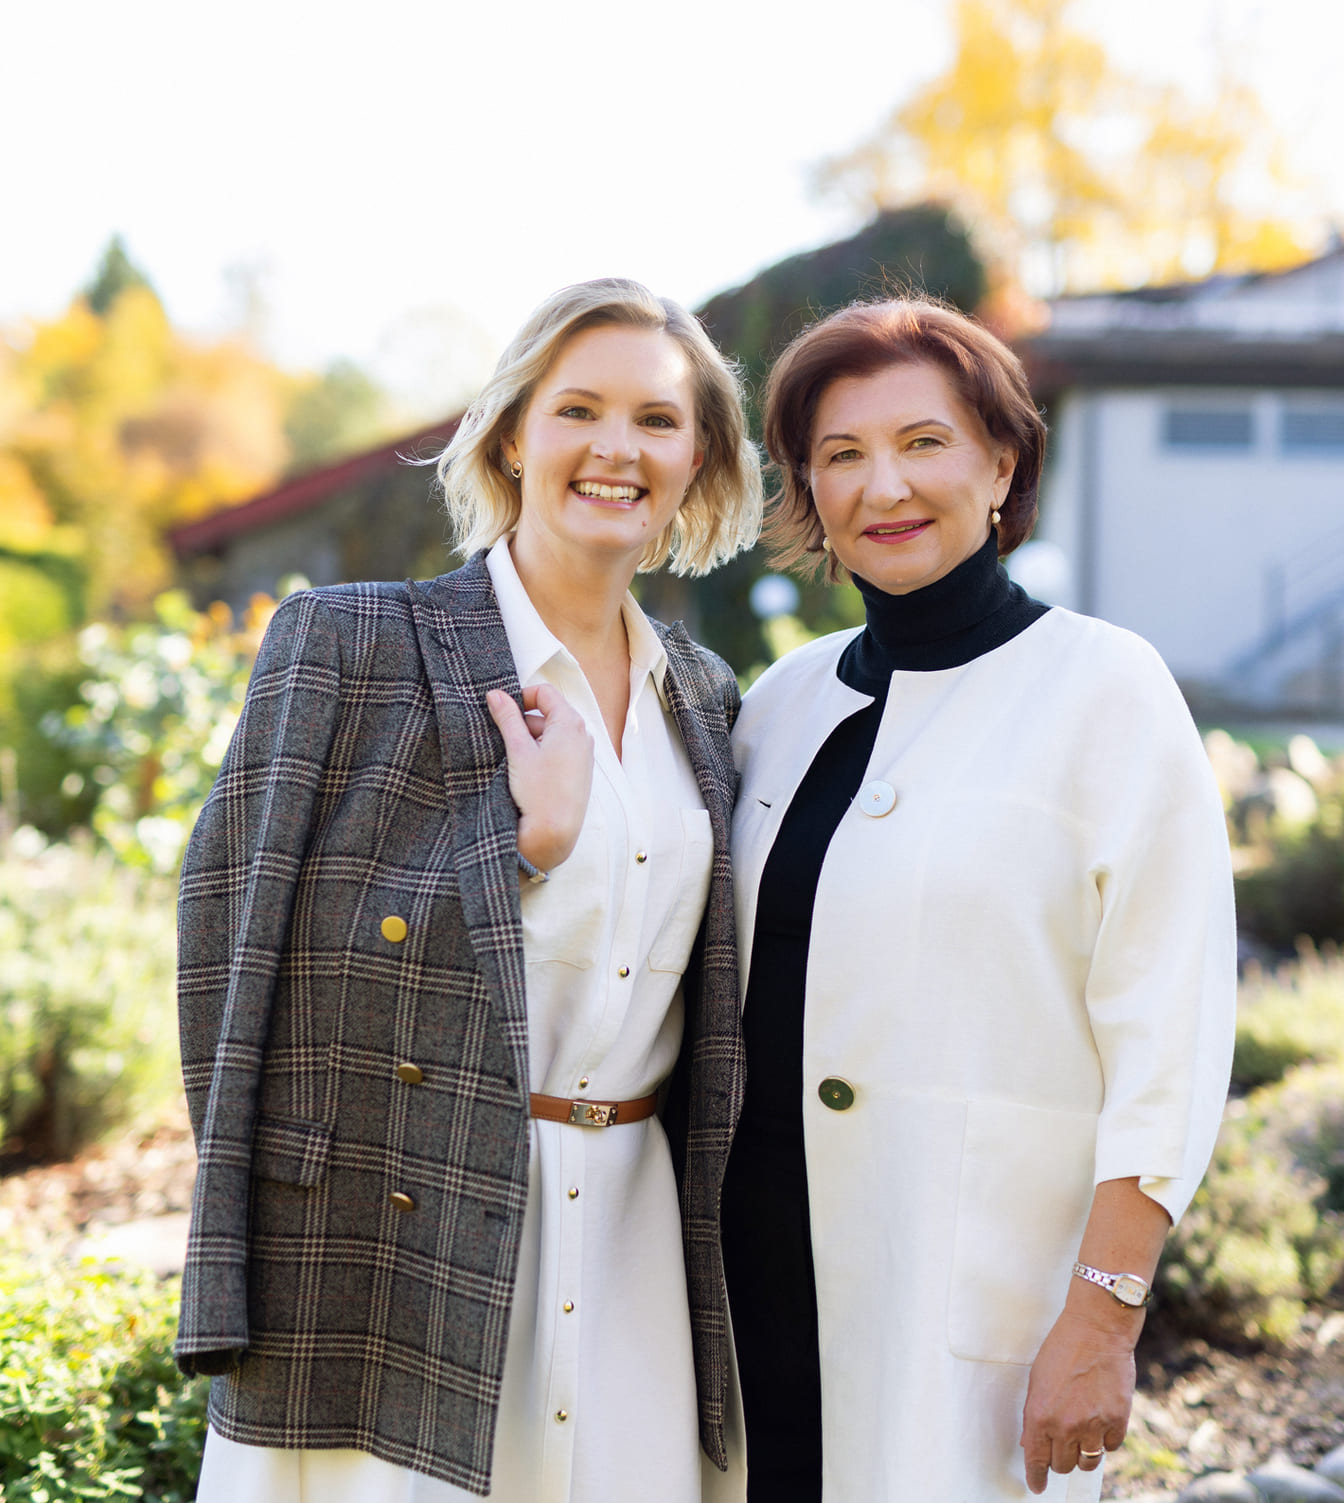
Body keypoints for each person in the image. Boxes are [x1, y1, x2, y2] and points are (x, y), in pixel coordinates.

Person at [175, 278, 763, 1502]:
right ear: (508, 438)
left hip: (634, 1246)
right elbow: (227, 949)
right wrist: (524, 846)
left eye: (657, 420)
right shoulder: (351, 644)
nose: (616, 449)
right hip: (389, 1237)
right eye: (577, 410)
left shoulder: (704, 698)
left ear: (698, 458)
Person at [720, 297, 1236, 1503]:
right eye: (840, 454)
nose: (882, 485)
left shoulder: (1104, 691)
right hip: (751, 1289)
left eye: (923, 442)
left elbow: (1168, 1039)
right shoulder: (780, 702)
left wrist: (1102, 1319)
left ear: (1001, 463)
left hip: (973, 1309)